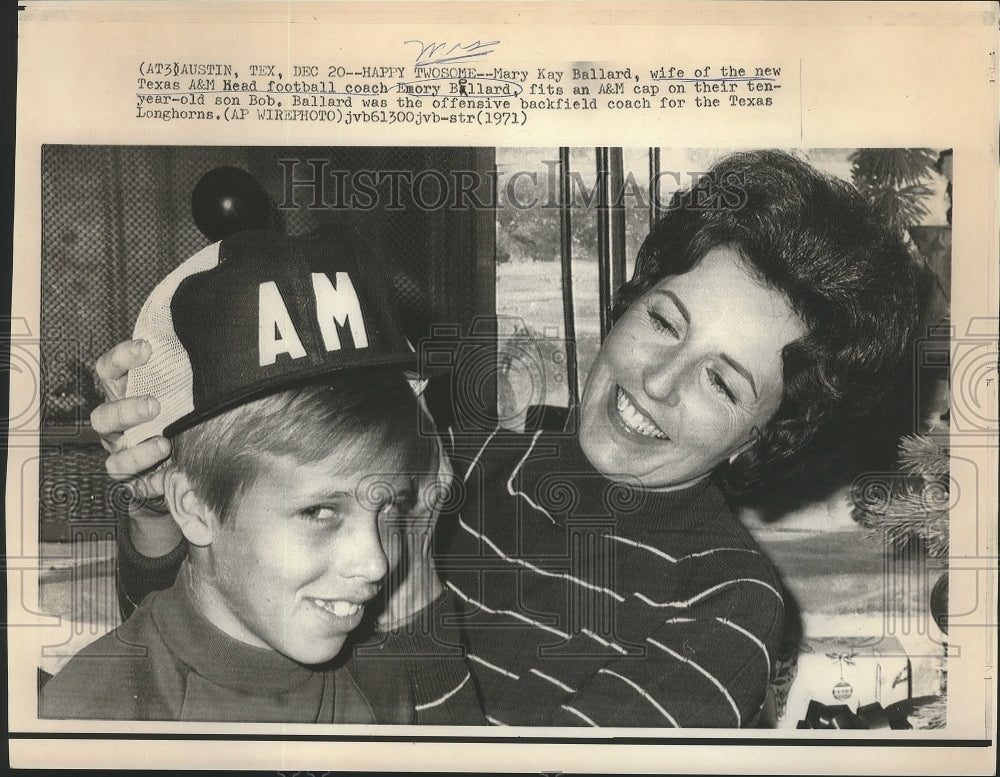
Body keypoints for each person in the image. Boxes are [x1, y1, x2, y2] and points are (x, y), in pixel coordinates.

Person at [90, 150, 919, 727]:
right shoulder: (466, 458)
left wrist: (417, 610)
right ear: (628, 302)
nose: (658, 381)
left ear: (761, 435)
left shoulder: (729, 608)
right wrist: (161, 503)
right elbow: (187, 652)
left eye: (720, 380)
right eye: (665, 320)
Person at [40, 230, 480, 723]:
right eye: (320, 511)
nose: (376, 563)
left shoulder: (382, 687)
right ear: (192, 505)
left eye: (390, 504)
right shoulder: (92, 711)